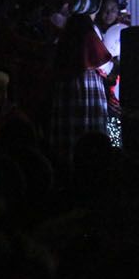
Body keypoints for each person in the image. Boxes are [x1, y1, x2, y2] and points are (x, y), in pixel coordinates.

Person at [49, 13, 113, 165]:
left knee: (69, 128)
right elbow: (104, 64)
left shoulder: (64, 40)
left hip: (66, 87)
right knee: (89, 124)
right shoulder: (90, 36)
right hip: (89, 86)